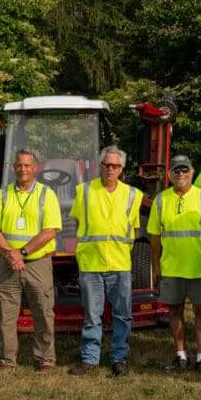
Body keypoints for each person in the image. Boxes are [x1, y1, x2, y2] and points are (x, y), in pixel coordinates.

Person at [69, 145, 143, 376]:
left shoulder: (134, 195)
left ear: (122, 169)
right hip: (91, 265)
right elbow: (77, 225)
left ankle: (119, 358)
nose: (110, 169)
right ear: (100, 166)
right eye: (106, 165)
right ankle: (90, 359)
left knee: (123, 315)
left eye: (115, 166)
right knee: (92, 316)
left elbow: (132, 229)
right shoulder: (84, 191)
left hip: (120, 265)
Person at [0, 149, 62, 371]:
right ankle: (6, 359)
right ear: (13, 168)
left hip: (37, 263)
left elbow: (50, 231)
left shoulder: (46, 195)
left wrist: (23, 252)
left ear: (35, 168)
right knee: (6, 313)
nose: (23, 169)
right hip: (8, 262)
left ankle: (44, 358)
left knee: (43, 312)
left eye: (27, 165)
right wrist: (11, 254)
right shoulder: (2, 195)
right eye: (19, 165)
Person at [148, 154, 201, 374]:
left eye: (185, 170)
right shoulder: (160, 199)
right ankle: (181, 355)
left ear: (192, 173)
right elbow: (155, 235)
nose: (181, 174)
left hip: (199, 268)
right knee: (175, 311)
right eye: (176, 170)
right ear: (169, 175)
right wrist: (156, 265)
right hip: (171, 268)